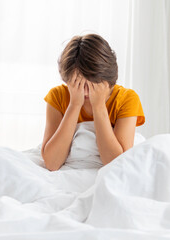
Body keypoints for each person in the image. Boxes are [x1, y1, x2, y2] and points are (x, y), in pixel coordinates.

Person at [41, 34, 145, 171]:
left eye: (92, 85)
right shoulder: (57, 96)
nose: (85, 92)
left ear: (107, 78)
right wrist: (74, 105)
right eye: (77, 84)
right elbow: (52, 163)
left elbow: (117, 163)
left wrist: (99, 106)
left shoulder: (127, 99)